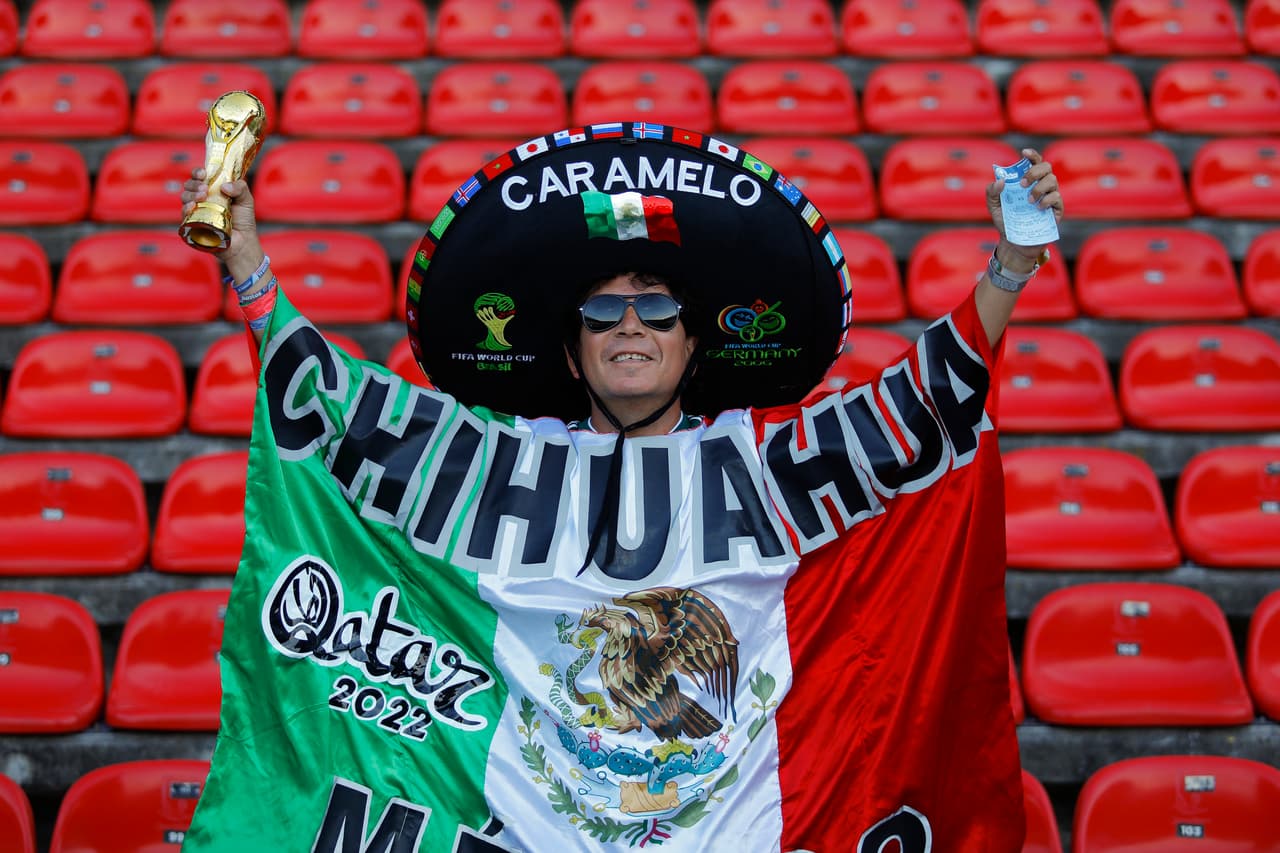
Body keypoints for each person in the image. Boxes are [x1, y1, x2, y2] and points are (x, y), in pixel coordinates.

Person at [179, 127, 1062, 853]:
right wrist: (249, 264)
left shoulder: (766, 457)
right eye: (602, 313)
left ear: (690, 345)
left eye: (657, 310)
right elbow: (336, 408)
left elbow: (921, 400)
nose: (629, 324)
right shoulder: (497, 457)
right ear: (572, 354)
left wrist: (1013, 263)